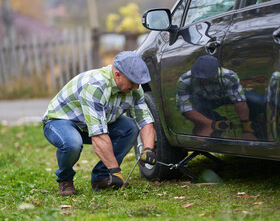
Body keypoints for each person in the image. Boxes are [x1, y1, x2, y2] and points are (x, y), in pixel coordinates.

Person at [42, 51, 156, 196]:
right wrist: (116, 170)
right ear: (117, 75)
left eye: (138, 82)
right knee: (72, 144)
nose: (136, 86)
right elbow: (98, 135)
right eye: (133, 81)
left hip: (93, 122)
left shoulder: (134, 89)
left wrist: (148, 149)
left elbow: (145, 119)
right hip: (60, 121)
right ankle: (65, 180)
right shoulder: (95, 86)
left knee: (130, 128)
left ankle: (101, 178)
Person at [176, 55, 255, 139]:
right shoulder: (185, 80)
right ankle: (216, 124)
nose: (201, 80)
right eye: (198, 76)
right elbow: (185, 108)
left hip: (227, 97)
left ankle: (254, 124)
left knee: (256, 101)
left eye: (205, 77)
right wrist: (212, 124)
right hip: (204, 100)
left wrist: (246, 128)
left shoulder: (229, 76)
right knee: (198, 109)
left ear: (216, 72)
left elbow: (240, 102)